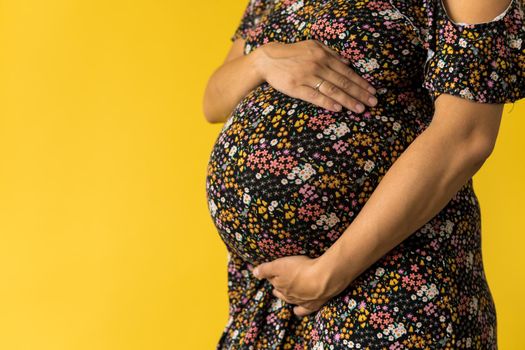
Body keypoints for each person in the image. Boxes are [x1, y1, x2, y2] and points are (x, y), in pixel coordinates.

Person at [203, 0, 525, 348]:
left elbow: (465, 137)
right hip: (273, 297)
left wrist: (327, 274)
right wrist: (262, 60)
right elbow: (213, 102)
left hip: (396, 284)